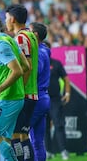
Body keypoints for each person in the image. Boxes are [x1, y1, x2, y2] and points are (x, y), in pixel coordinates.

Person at [0, 11, 29, 161]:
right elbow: (26, 66)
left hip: (7, 98)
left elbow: (18, 70)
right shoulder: (8, 39)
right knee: (4, 139)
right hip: (15, 96)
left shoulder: (0, 45)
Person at [5, 4, 38, 161]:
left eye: (6, 18)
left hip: (24, 94)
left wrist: (19, 89)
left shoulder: (20, 38)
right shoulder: (31, 36)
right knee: (23, 135)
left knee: (15, 135)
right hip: (32, 93)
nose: (6, 22)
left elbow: (28, 67)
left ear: (12, 19)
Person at [45, 42, 71, 160]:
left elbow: (66, 79)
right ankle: (48, 151)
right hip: (42, 99)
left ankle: (63, 151)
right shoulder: (36, 64)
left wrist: (67, 93)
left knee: (59, 125)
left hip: (55, 99)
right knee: (44, 127)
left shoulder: (56, 63)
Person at [29, 22, 50, 161]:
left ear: (35, 35)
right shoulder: (44, 50)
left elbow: (34, 73)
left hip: (37, 98)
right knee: (37, 141)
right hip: (43, 98)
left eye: (29, 31)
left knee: (19, 135)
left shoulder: (39, 54)